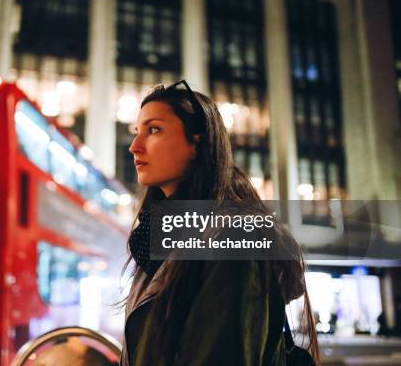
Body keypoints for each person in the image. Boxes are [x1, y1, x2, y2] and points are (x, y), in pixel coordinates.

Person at [121, 81, 319, 365]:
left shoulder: (235, 235)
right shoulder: (153, 241)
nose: (134, 147)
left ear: (196, 142)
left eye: (154, 130)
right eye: (137, 132)